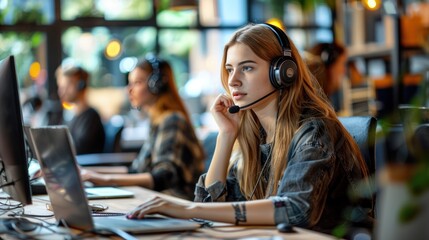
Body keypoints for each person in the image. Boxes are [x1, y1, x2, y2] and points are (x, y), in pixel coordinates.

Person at [126, 23, 373, 235]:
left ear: (283, 73)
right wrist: (226, 135)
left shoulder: (314, 131)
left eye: (247, 67)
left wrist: (189, 209)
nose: (233, 80)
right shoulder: (255, 137)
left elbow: (294, 210)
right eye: (230, 69)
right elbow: (209, 206)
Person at [81, 55, 206, 201]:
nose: (129, 90)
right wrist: (90, 173)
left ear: (156, 84)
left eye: (137, 82)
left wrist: (106, 180)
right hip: (156, 199)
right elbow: (135, 171)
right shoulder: (157, 121)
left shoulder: (172, 120)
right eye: (129, 83)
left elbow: (163, 177)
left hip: (174, 203)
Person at [56, 65, 106, 154]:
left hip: (86, 166)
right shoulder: (70, 116)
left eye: (67, 86)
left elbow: (79, 151)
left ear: (81, 85)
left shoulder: (91, 118)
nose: (61, 91)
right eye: (61, 86)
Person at [306, 42, 347, 112]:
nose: (344, 71)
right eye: (342, 64)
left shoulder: (318, 102)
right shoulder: (318, 110)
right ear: (329, 66)